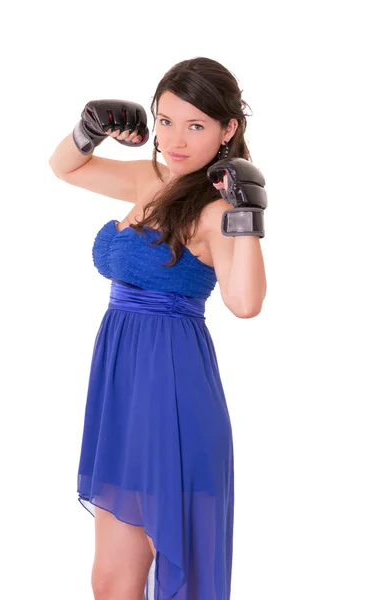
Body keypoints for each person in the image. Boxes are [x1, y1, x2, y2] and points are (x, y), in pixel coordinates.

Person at [49, 56, 267, 600]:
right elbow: (65, 167)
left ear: (227, 129)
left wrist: (248, 220)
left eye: (195, 125)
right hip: (121, 387)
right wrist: (87, 131)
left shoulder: (216, 210)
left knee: (174, 565)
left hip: (171, 388)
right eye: (165, 120)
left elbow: (244, 303)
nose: (176, 138)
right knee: (110, 581)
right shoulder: (152, 178)